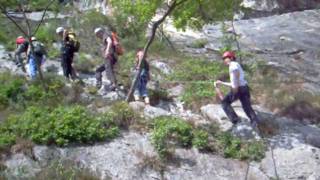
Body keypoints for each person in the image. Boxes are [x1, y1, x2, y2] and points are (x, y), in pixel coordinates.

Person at [214, 51, 259, 127]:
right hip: (244, 87)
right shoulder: (235, 64)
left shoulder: (233, 64)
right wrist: (221, 83)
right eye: (223, 59)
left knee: (225, 102)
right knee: (246, 106)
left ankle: (236, 121)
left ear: (231, 58)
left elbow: (236, 74)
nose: (224, 60)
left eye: (226, 58)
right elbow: (234, 81)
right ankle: (255, 121)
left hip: (238, 89)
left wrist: (236, 87)